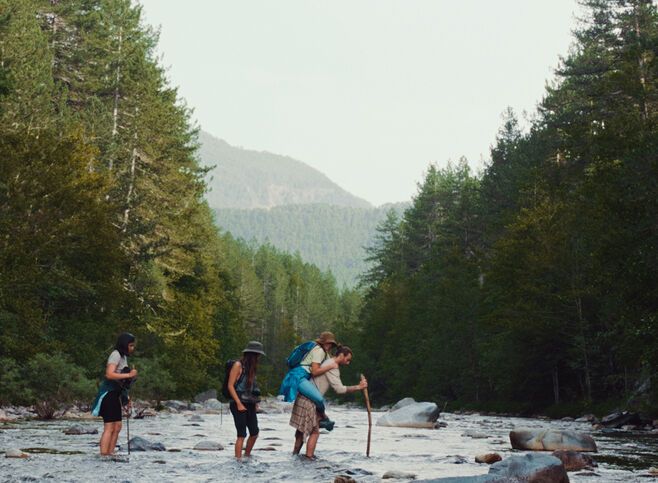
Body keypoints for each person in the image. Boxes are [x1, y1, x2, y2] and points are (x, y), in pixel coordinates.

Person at [290, 345, 367, 459]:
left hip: (302, 397)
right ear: (341, 355)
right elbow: (339, 389)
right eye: (347, 359)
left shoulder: (327, 361)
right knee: (315, 432)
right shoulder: (333, 367)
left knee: (301, 430)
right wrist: (359, 387)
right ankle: (308, 459)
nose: (348, 363)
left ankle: (294, 457)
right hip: (310, 400)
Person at [279, 331, 340, 428]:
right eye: (328, 343)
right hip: (298, 376)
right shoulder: (319, 350)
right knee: (319, 399)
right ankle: (323, 418)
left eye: (331, 344)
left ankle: (323, 419)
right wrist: (331, 366)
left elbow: (330, 362)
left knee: (317, 399)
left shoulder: (324, 353)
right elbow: (315, 371)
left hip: (302, 376)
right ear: (323, 342)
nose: (329, 345)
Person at [91, 332, 138, 456]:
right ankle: (104, 455)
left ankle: (110, 453)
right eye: (131, 345)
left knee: (117, 426)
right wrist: (129, 375)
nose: (132, 348)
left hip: (117, 394)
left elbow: (122, 381)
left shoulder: (123, 357)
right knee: (109, 427)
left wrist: (126, 399)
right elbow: (109, 374)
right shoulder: (115, 355)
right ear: (124, 344)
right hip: (109, 394)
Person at [227, 340, 265, 459]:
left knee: (254, 432)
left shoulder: (251, 368)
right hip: (237, 403)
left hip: (249, 403)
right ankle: (238, 460)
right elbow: (230, 385)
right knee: (241, 434)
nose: (259, 357)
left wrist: (255, 403)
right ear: (252, 355)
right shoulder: (238, 365)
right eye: (257, 355)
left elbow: (252, 388)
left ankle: (247, 456)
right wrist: (238, 403)